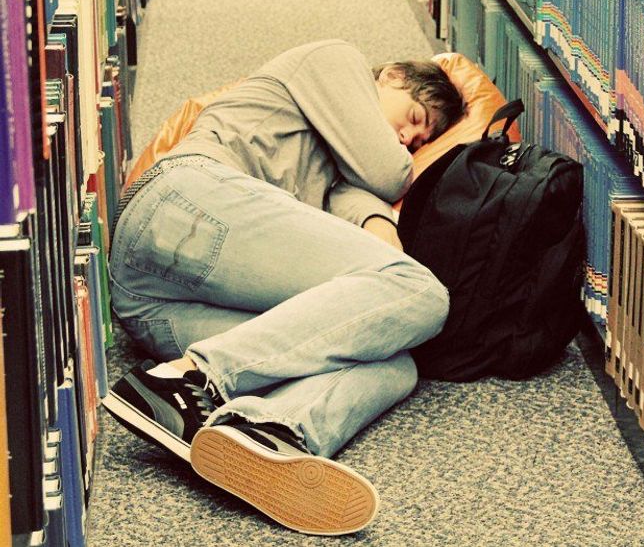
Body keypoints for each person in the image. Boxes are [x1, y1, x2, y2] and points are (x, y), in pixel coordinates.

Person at [102, 39, 464, 536]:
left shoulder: (336, 168)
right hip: (185, 204)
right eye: (414, 119)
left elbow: (358, 207)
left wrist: (378, 222)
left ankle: (267, 432)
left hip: (151, 308)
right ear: (393, 77)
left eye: (420, 142)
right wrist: (392, 230)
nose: (407, 139)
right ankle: (193, 378)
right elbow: (388, 173)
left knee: (394, 363)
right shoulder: (336, 59)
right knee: (422, 292)